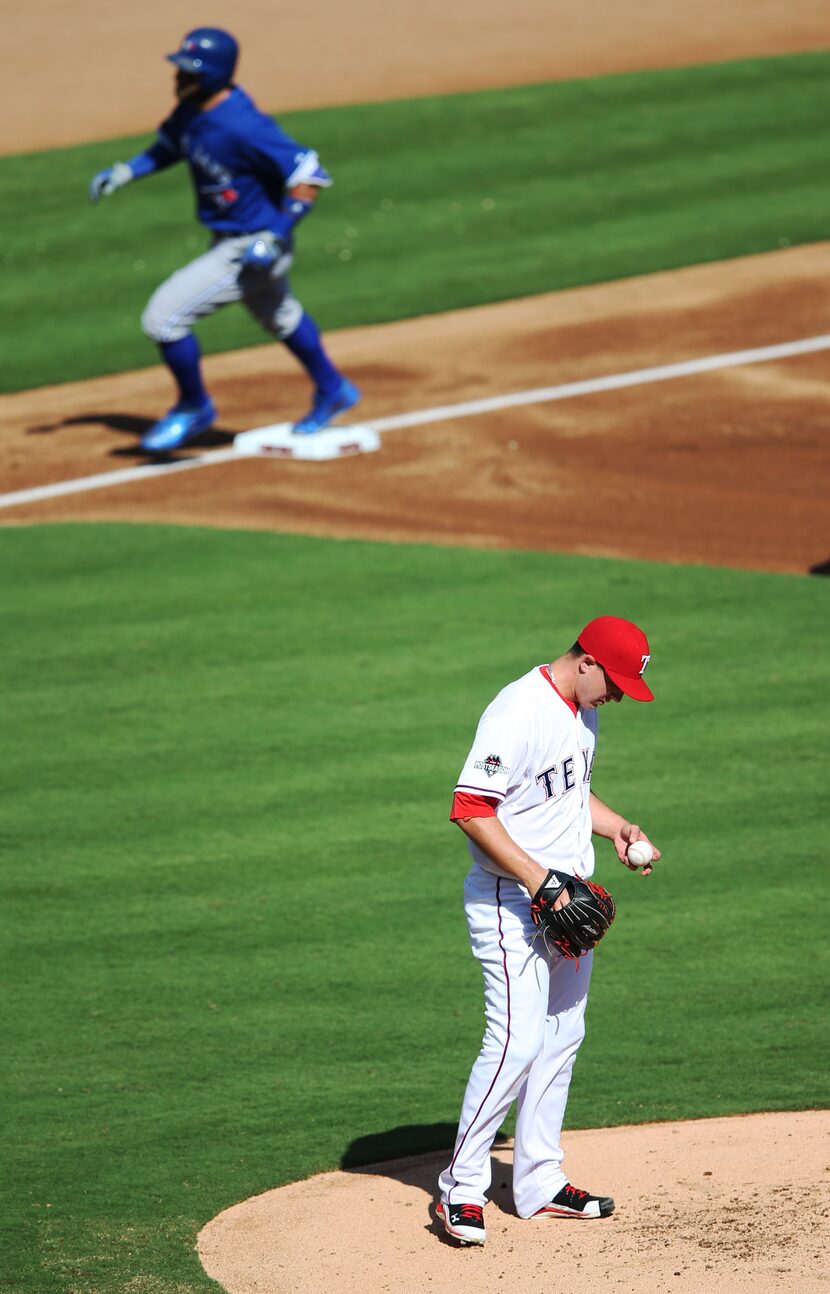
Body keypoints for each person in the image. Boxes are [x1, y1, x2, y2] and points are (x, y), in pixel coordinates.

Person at [436, 615, 661, 1246]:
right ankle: (461, 1187)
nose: (616, 696)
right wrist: (541, 881)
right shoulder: (518, 711)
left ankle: (537, 1182)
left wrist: (616, 826)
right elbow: (471, 808)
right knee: (514, 1043)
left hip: (566, 901)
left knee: (562, 1035)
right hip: (514, 902)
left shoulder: (582, 711)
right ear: (586, 661)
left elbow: (567, 794)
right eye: (612, 682)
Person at [89, 27, 360, 454]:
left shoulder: (244, 125)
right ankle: (334, 389)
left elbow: (309, 175)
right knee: (280, 315)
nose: (178, 79)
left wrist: (276, 235)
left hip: (252, 247)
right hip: (231, 239)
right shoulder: (191, 111)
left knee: (163, 319)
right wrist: (127, 171)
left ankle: (194, 406)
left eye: (189, 72)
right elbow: (169, 146)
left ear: (214, 75)